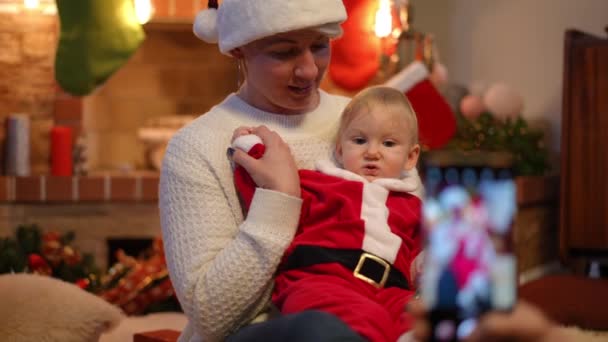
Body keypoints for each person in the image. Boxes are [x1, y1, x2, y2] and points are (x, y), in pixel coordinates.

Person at [159, 0, 369, 341]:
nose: (309, 71)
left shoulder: (362, 122)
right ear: (237, 49)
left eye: (319, 46)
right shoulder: (197, 147)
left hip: (372, 316)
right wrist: (278, 200)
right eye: (284, 53)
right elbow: (210, 314)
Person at [230, 86, 425, 341]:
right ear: (340, 150)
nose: (372, 152)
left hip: (391, 289)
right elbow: (267, 192)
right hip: (324, 278)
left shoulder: (413, 206)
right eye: (359, 140)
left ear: (410, 158)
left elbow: (427, 247)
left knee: (421, 318)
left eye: (388, 144)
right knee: (363, 317)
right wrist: (251, 148)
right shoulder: (318, 184)